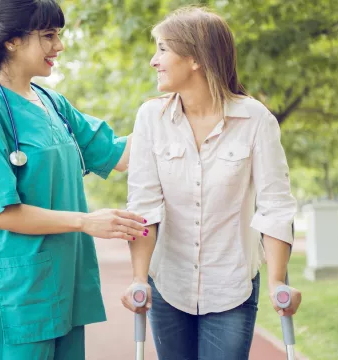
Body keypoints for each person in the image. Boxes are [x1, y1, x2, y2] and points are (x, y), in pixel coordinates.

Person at [0, 1, 150, 359]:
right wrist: (86, 221)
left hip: (65, 281)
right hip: (21, 289)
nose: (59, 47)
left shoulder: (53, 103)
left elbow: (119, 155)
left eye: (59, 36)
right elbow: (1, 213)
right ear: (12, 41)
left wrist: (178, 109)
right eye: (48, 36)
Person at [121, 6, 302, 360]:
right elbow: (144, 206)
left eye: (162, 49)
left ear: (195, 59)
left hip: (232, 286)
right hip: (168, 283)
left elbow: (276, 207)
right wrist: (139, 277)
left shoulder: (256, 120)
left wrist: (278, 281)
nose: (153, 61)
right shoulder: (150, 119)